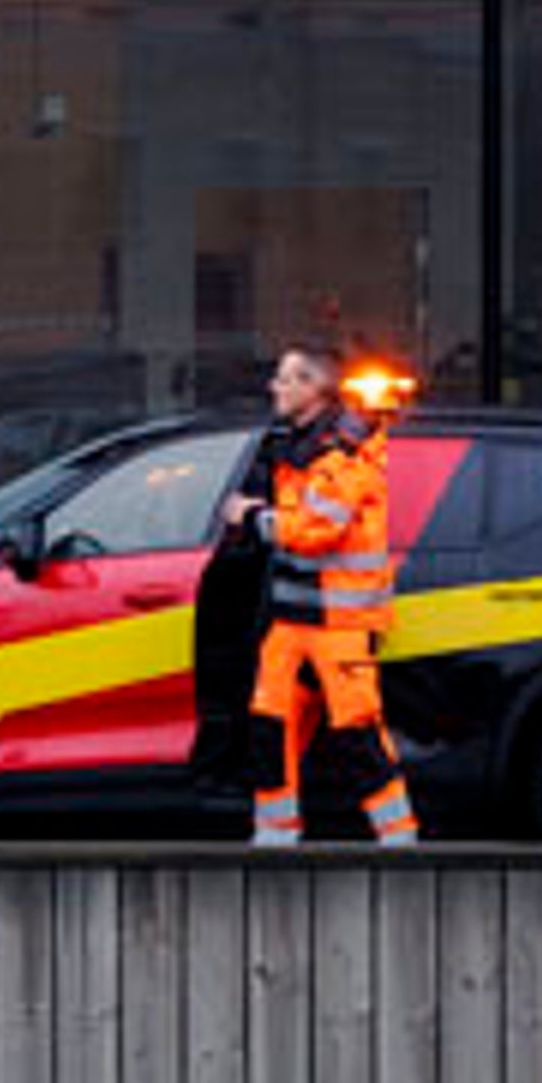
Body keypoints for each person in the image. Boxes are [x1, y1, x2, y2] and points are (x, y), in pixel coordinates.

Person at [220, 341, 417, 849]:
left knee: (356, 732)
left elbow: (317, 530)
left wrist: (252, 518)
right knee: (270, 727)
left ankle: (400, 843)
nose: (275, 387)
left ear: (313, 388)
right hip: (293, 617)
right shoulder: (295, 444)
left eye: (286, 378)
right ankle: (274, 837)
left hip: (339, 625)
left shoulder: (344, 451)